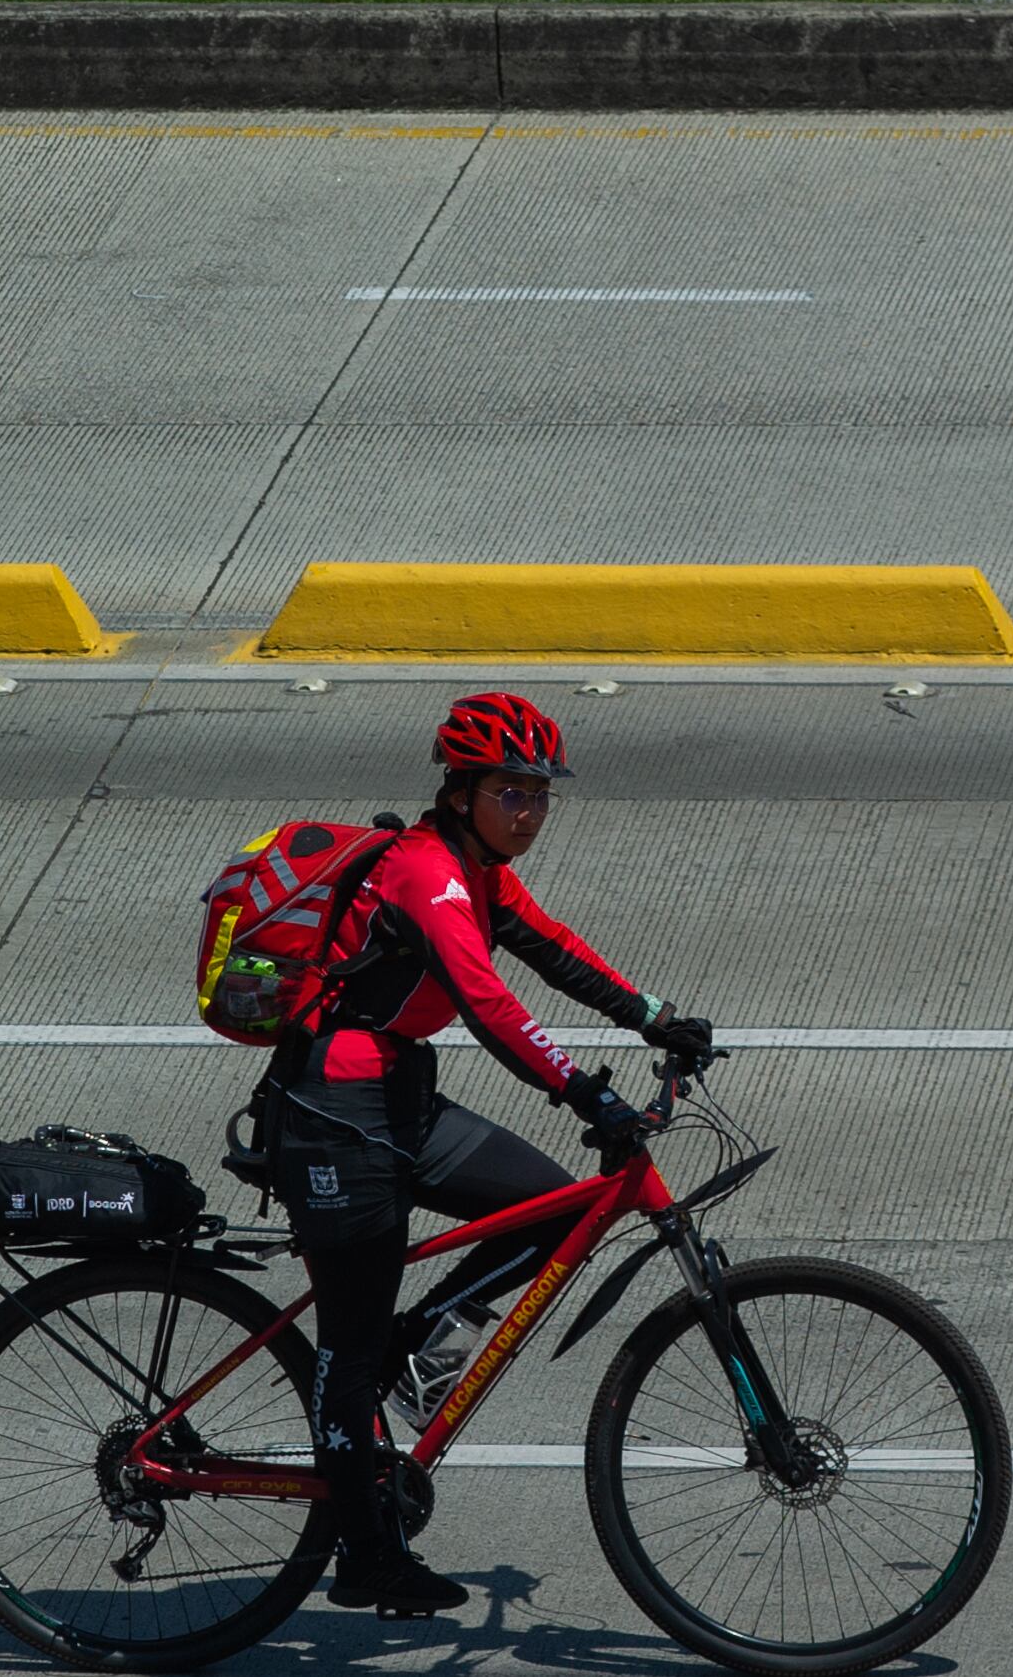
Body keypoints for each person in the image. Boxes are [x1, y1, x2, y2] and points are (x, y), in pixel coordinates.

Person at [262, 689, 709, 1619]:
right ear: (461, 793)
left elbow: (552, 950)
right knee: (347, 1356)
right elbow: (488, 1004)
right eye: (513, 792)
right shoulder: (428, 873)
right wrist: (584, 1090)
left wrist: (655, 1018)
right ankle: (367, 1556)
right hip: (335, 1109)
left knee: (555, 1212)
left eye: (542, 795)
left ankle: (405, 1342)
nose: (531, 812)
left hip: (400, 1095)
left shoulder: (479, 870)